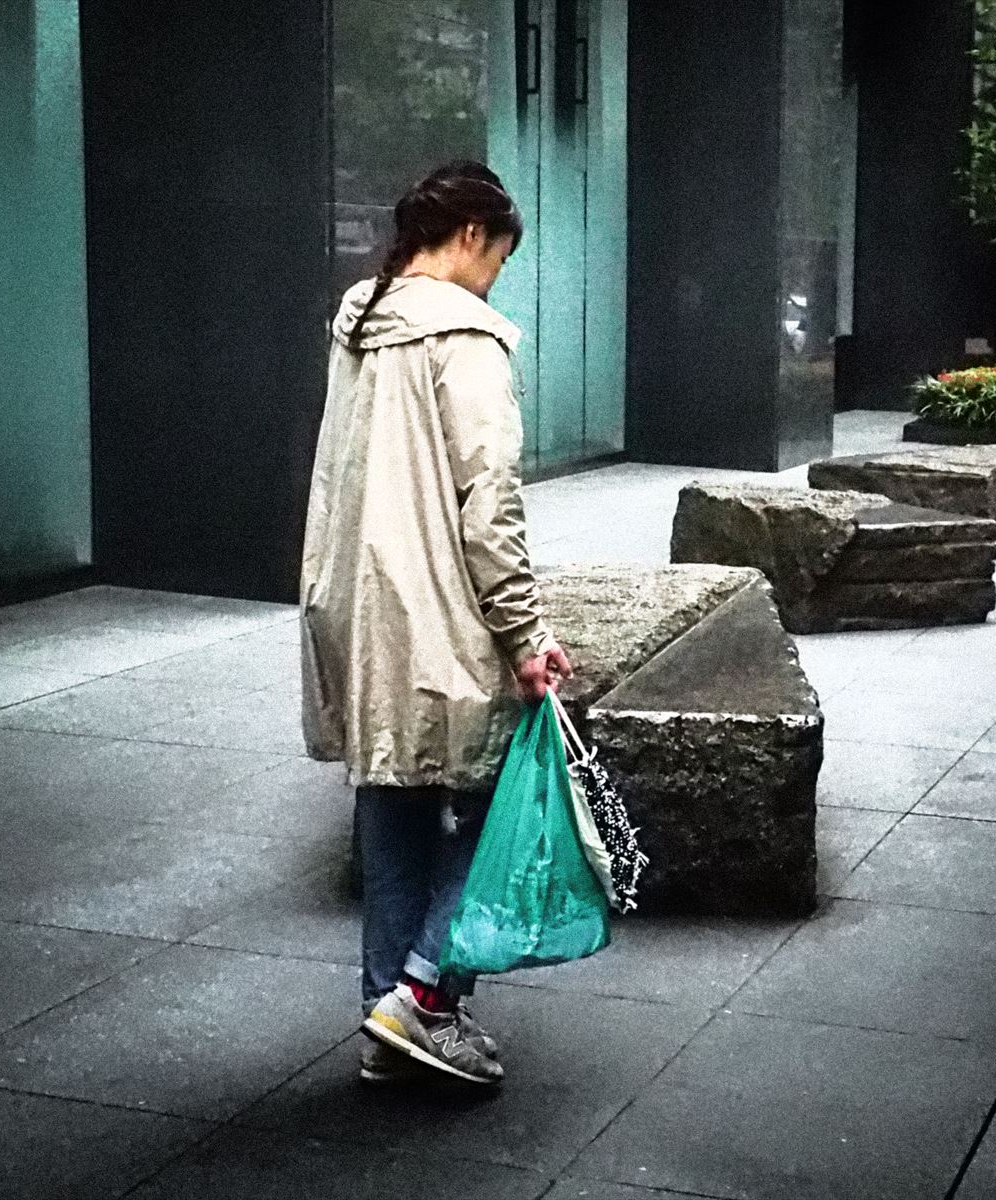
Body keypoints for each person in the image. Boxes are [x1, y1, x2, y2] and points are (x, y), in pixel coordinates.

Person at [299, 161, 572, 1085]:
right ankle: (423, 994)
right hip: (439, 616)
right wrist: (527, 635)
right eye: (499, 257)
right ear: (470, 236)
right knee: (504, 808)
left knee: (393, 815)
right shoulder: (467, 337)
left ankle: (390, 1030)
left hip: (357, 606)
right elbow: (488, 504)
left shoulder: (361, 324)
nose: (495, 278)